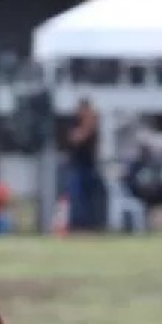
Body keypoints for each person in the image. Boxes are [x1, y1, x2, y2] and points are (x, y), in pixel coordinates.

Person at [64, 99, 104, 231]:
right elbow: (75, 139)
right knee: (77, 198)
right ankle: (77, 225)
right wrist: (87, 124)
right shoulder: (75, 123)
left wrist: (91, 123)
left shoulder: (93, 126)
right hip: (77, 167)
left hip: (90, 166)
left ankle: (90, 225)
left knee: (90, 198)